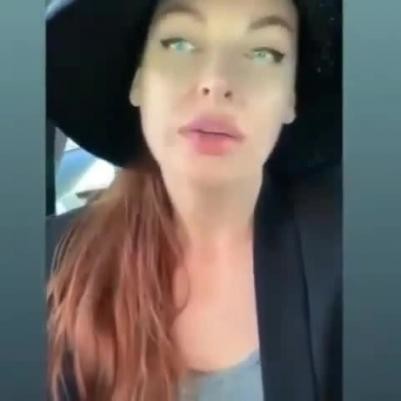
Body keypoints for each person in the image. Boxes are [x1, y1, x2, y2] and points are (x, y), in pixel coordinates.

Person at [46, 0, 342, 401]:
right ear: (138, 81)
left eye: (264, 52)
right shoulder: (47, 269)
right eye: (180, 43)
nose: (217, 80)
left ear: (291, 96)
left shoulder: (348, 258)